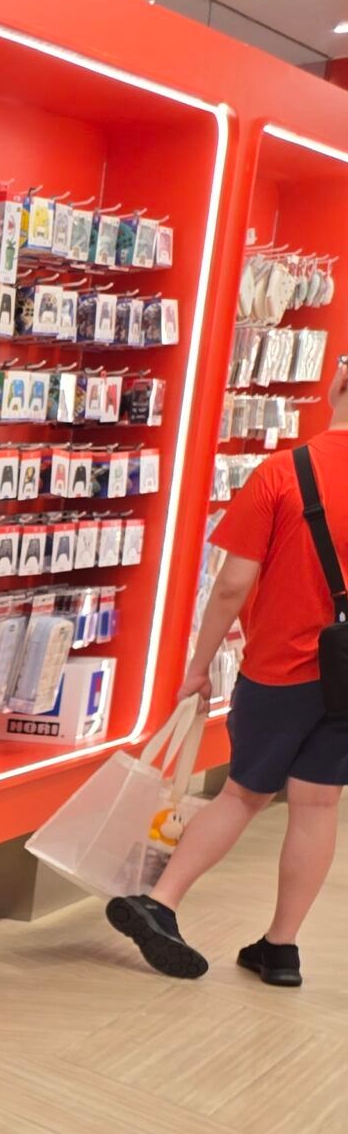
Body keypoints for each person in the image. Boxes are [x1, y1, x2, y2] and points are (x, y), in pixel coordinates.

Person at [109, 353, 348, 988]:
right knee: (319, 803)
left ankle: (159, 903)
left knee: (243, 793)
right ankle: (282, 950)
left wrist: (198, 667)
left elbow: (232, 585)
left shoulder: (285, 471)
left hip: (280, 665)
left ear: (338, 382)